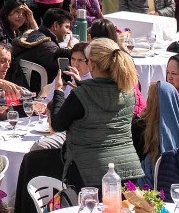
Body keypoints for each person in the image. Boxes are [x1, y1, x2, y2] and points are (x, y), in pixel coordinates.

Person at [50, 37, 142, 187]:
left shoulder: (80, 95)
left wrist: (59, 92)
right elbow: (102, 101)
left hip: (88, 171)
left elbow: (57, 124)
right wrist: (81, 84)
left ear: (92, 64)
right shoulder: (129, 92)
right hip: (127, 169)